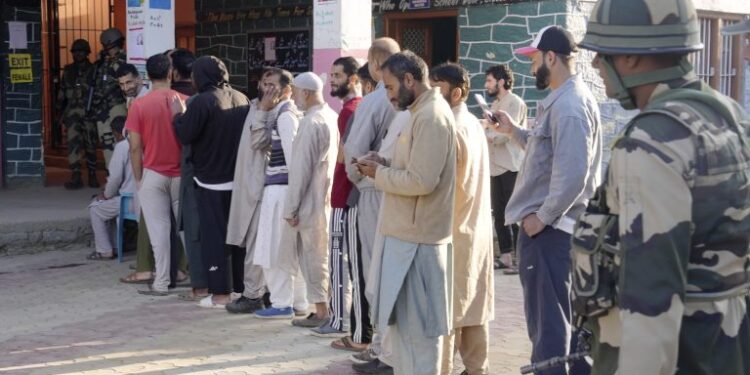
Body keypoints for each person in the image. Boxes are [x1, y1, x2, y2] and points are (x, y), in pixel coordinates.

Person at [572, 0, 750, 374]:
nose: (595, 67)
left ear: (631, 59)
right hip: (725, 346)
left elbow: (650, 298)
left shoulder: (652, 143)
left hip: (676, 353)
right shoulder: (730, 116)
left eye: (603, 54)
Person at [490, 25, 601, 375]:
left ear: (551, 57)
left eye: (534, 58)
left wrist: (543, 218)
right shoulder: (566, 99)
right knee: (564, 331)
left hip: (553, 234)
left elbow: (573, 176)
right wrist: (514, 132)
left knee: (550, 331)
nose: (530, 65)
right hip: (557, 232)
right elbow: (549, 155)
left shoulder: (568, 105)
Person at [356, 51, 456, 375]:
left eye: (388, 87)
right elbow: (412, 169)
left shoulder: (432, 116)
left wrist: (377, 175)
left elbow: (422, 181)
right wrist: (383, 164)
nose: (387, 95)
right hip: (405, 239)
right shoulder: (419, 112)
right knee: (404, 341)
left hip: (419, 244)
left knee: (419, 344)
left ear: (409, 79)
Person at [430, 63, 494, 375]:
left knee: (446, 317)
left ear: (456, 92)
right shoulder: (472, 123)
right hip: (476, 230)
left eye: (437, 86)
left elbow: (438, 187)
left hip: (453, 231)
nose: (430, 93)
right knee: (473, 311)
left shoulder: (450, 128)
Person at [172, 56, 249, 308]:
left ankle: (220, 293)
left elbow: (186, 134)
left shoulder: (202, 102)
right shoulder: (241, 98)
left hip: (210, 181)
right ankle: (239, 287)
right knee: (237, 237)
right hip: (237, 179)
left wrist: (177, 117)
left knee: (214, 238)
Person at [342, 37, 400, 356]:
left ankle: (379, 345)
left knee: (373, 270)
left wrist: (362, 180)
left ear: (375, 64)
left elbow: (353, 154)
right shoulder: (409, 99)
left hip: (375, 191)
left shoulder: (377, 101)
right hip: (400, 191)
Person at [248, 68, 309, 319]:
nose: (267, 90)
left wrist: (294, 202)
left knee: (274, 248)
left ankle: (283, 302)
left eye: (273, 85)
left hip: (281, 191)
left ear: (287, 90)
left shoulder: (286, 116)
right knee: (283, 248)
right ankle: (296, 301)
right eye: (264, 84)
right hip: (280, 190)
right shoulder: (281, 114)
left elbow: (294, 160)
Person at [126, 54, 186, 296]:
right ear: (171, 73)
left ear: (147, 77)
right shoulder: (185, 101)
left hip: (153, 173)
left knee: (158, 232)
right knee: (186, 230)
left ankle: (160, 283)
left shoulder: (139, 106)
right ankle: (200, 281)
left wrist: (139, 177)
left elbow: (134, 147)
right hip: (182, 175)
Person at [283, 72, 339, 328]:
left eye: (295, 92)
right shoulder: (332, 116)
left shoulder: (310, 122)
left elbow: (300, 170)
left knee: (314, 257)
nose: (294, 97)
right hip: (327, 198)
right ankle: (328, 308)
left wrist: (291, 207)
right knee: (324, 255)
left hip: (311, 200)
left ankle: (322, 312)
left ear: (305, 92)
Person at [313, 57, 363, 340]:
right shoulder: (352, 109)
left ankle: (339, 319)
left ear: (354, 79)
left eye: (338, 75)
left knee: (339, 259)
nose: (332, 80)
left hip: (345, 195)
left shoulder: (350, 111)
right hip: (348, 194)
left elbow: (345, 155)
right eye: (331, 75)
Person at [166, 49, 207, 301]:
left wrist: (178, 116)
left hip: (189, 172)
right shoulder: (228, 99)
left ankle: (193, 277)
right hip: (212, 175)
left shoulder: (188, 102)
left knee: (188, 227)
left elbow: (185, 134)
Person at [484, 64, 527, 272]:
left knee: (516, 212)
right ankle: (506, 256)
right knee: (499, 213)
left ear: (501, 81)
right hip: (495, 166)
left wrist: (488, 136)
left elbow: (506, 133)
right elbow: (491, 129)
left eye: (490, 80)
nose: (487, 85)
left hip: (511, 165)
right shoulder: (495, 104)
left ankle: (522, 258)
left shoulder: (515, 103)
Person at [87, 116, 135, 260]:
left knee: (95, 208)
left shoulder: (122, 146)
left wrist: (106, 195)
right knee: (111, 208)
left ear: (117, 133)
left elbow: (115, 178)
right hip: (144, 197)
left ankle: (104, 250)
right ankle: (115, 246)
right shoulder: (143, 141)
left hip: (130, 201)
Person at [58, 39, 98, 190]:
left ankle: (92, 174)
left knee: (90, 144)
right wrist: (59, 109)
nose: (78, 54)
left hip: (89, 112)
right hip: (72, 112)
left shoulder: (94, 70)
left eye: (81, 51)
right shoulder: (68, 70)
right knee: (73, 144)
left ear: (87, 53)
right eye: (75, 52)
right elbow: (62, 91)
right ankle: (76, 175)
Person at [90, 27, 127, 166]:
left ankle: (123, 181)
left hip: (116, 106)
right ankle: (112, 179)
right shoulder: (105, 62)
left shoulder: (123, 60)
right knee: (107, 143)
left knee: (121, 142)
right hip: (103, 109)